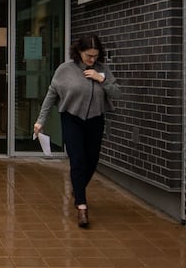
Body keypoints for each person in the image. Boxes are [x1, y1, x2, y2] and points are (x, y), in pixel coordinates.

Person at [33, 34, 121, 228]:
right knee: (78, 160)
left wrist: (101, 80)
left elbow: (117, 93)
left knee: (92, 160)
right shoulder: (65, 70)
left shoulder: (102, 70)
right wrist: (40, 121)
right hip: (72, 119)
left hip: (95, 120)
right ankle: (81, 206)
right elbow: (51, 95)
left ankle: (78, 186)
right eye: (88, 55)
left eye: (95, 56)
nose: (92, 59)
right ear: (79, 52)